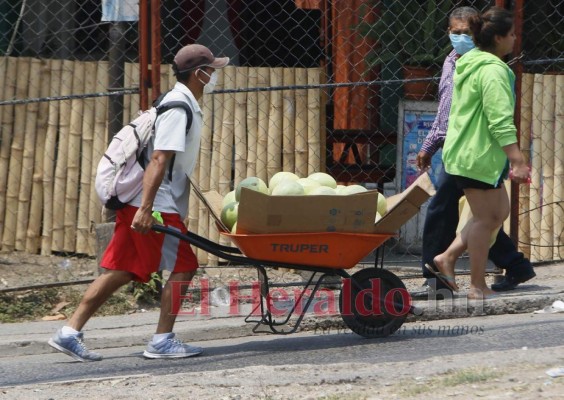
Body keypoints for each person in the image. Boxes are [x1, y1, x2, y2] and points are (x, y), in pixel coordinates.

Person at [48, 44, 229, 361]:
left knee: (124, 268)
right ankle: (161, 340)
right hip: (152, 202)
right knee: (184, 266)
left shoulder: (180, 103)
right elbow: (158, 159)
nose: (214, 75)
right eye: (211, 69)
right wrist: (146, 209)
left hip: (143, 200)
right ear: (199, 74)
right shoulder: (178, 108)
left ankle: (69, 332)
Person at [416, 6, 535, 298]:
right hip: (477, 156)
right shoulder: (493, 71)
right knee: (485, 219)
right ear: (497, 38)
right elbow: (500, 121)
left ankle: (448, 256)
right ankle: (477, 285)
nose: (514, 38)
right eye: (511, 34)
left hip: (467, 154)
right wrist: (516, 159)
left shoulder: (468, 64)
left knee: (496, 214)